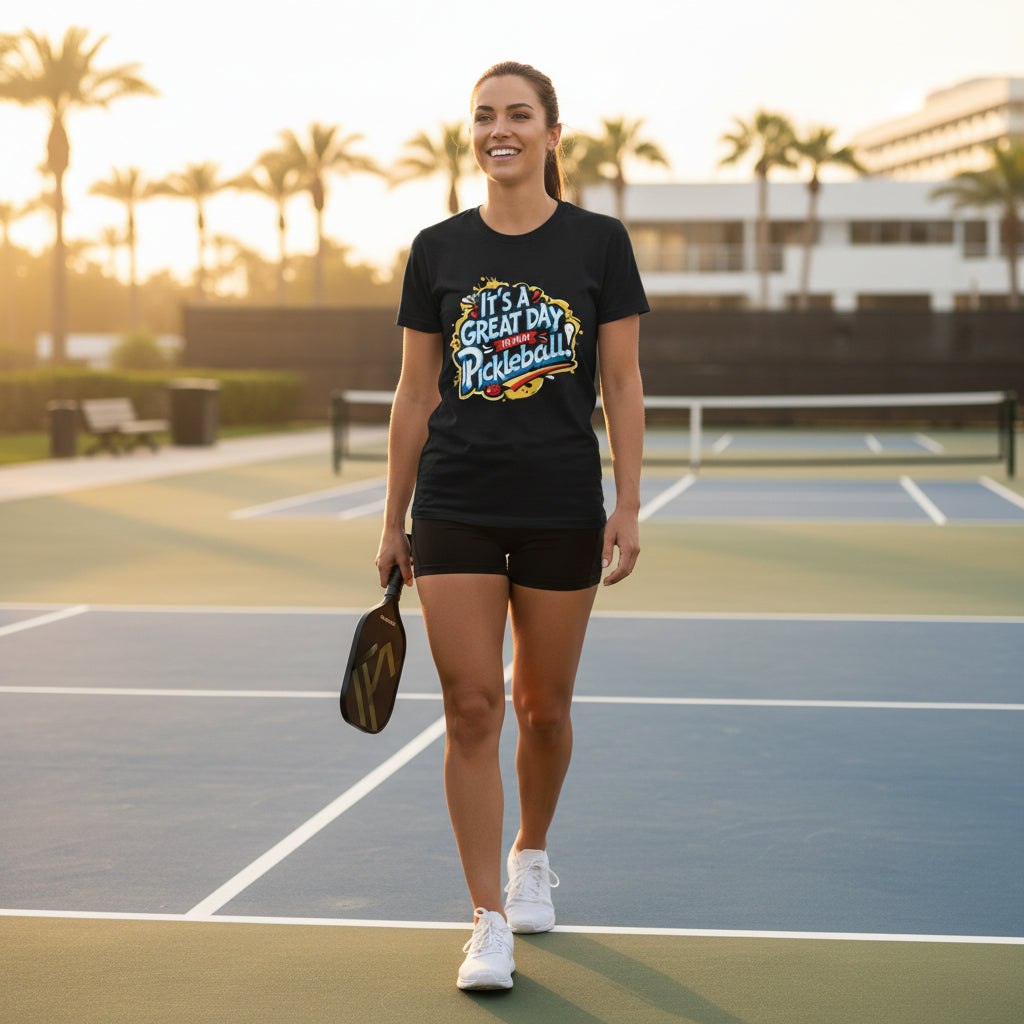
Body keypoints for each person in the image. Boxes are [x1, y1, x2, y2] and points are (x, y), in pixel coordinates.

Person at [375, 60, 647, 991]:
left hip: (561, 506)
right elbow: (414, 395)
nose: (501, 129)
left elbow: (621, 383)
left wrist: (629, 503)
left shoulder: (600, 244)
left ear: (551, 134)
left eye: (519, 115)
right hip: (452, 501)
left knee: (543, 708)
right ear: (474, 133)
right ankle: (486, 916)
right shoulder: (436, 249)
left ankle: (533, 851)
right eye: (486, 115)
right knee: (471, 708)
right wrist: (391, 519)